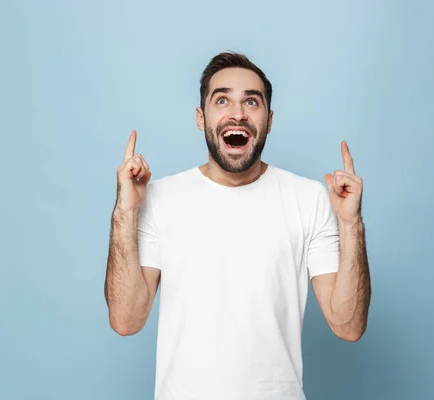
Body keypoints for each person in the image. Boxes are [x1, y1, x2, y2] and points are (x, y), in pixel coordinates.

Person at [104, 51, 371, 400]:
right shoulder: (159, 198)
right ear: (201, 117)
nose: (238, 113)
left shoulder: (308, 198)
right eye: (222, 100)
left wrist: (351, 224)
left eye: (251, 101)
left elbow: (348, 325)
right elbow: (126, 320)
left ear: (269, 119)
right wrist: (125, 212)